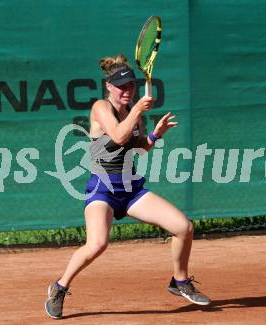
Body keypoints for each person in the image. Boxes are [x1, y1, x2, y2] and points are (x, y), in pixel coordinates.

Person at [45, 54, 211, 319]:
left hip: (130, 189)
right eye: (122, 86)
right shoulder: (101, 107)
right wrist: (137, 111)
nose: (127, 91)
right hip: (103, 189)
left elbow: (139, 147)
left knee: (184, 227)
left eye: (131, 86)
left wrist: (155, 134)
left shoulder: (134, 113)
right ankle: (60, 286)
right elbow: (119, 135)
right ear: (109, 86)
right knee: (97, 244)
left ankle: (179, 281)